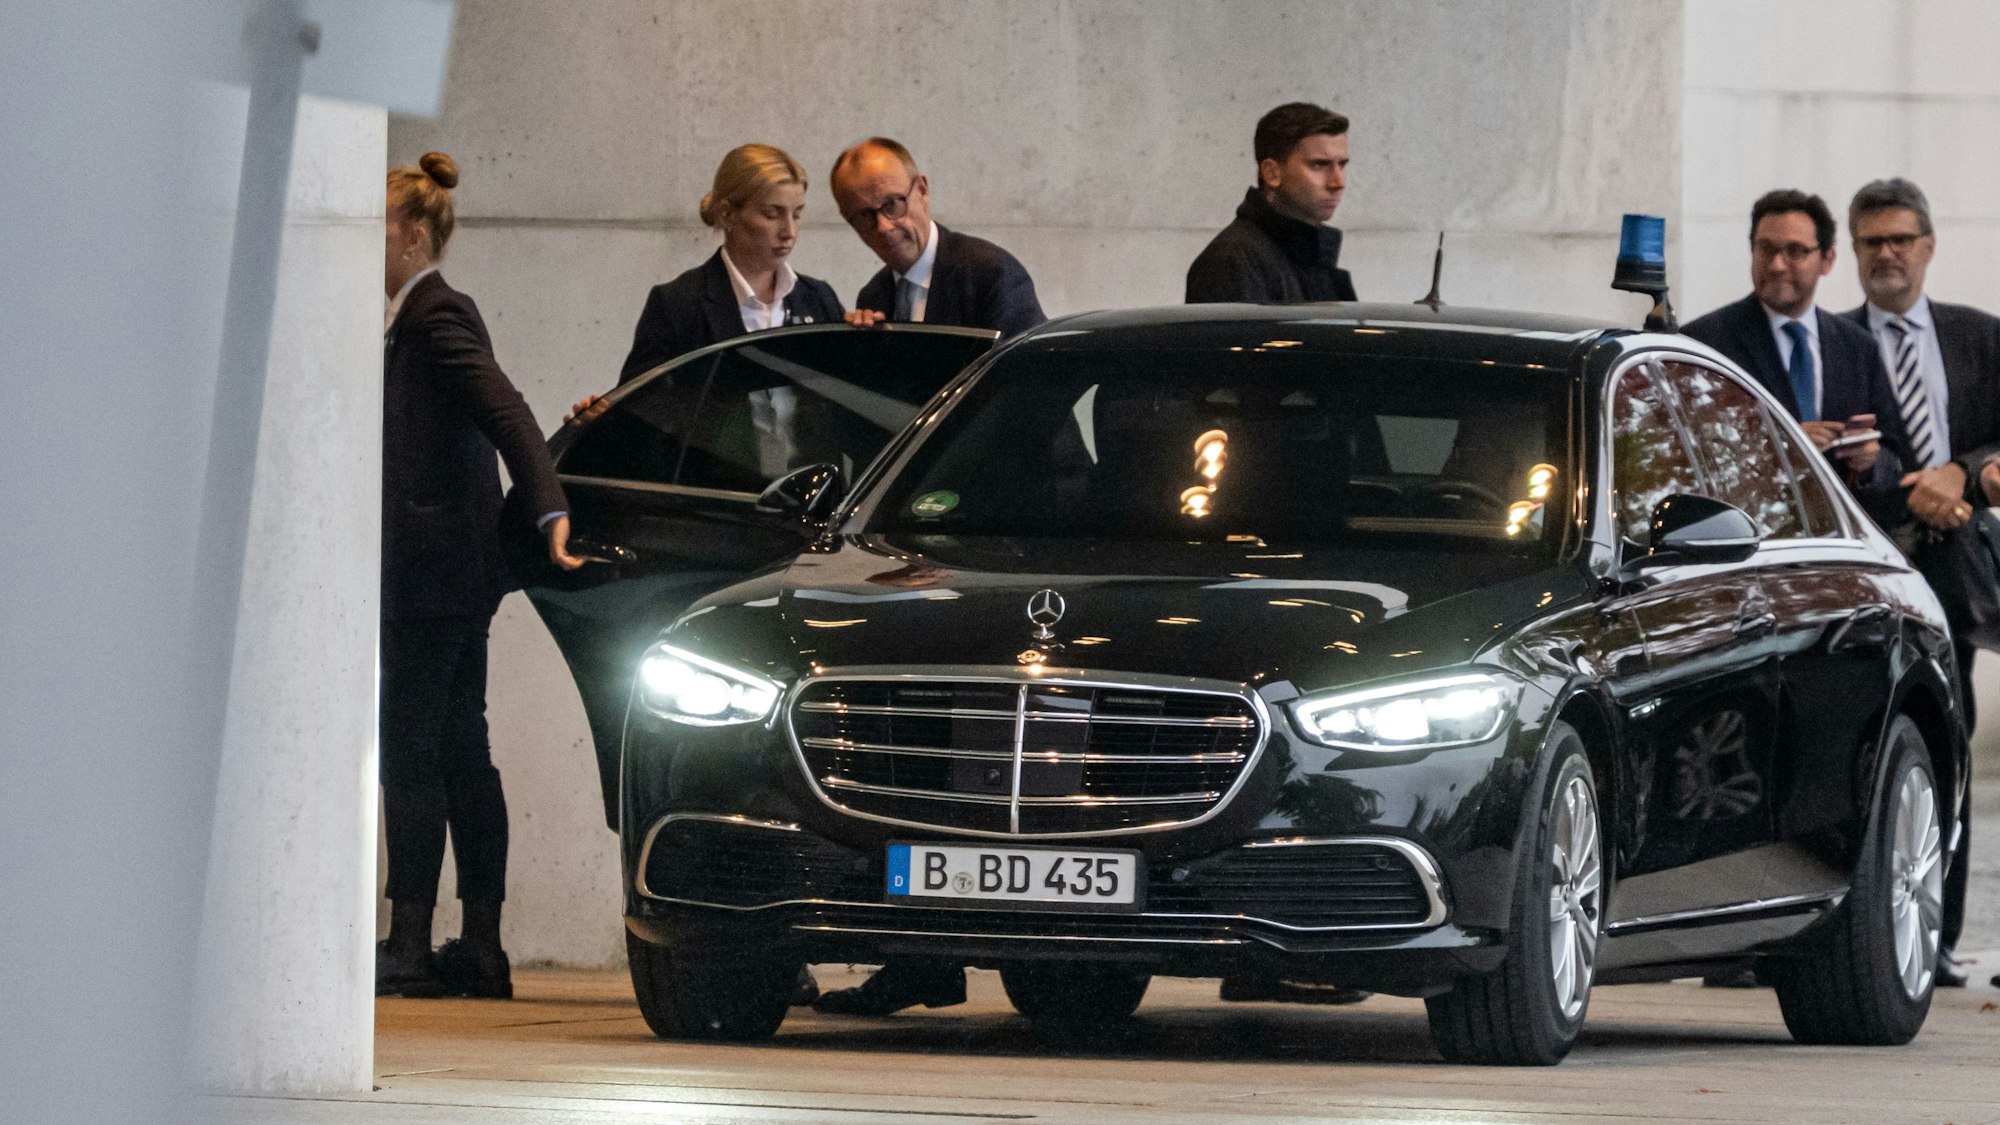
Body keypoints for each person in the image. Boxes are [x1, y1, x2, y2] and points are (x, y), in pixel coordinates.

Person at [377, 151, 584, 999]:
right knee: (463, 747)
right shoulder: (411, 317)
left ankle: (410, 942)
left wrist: (548, 506)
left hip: (431, 575)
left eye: (375, 227)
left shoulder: (434, 313)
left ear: (414, 233)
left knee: (413, 752)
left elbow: (507, 409)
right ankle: (482, 945)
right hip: (454, 573)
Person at [1840, 178, 2000, 990]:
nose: (1888, 254)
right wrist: (1911, 482)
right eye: (1872, 242)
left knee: (1952, 738)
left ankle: (1934, 936)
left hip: (1961, 572)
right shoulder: (1833, 341)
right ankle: (1855, 926)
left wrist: (1962, 472)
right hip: (1867, 572)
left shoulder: (1979, 336)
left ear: (1929, 245)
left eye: (1901, 239)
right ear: (1854, 252)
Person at [1682, 189, 1911, 521]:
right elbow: (1689, 453)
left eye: (1794, 251)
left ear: (1827, 260)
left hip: (1842, 544)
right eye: (1766, 249)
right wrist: (1780, 447)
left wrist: (1870, 462)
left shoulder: (1858, 347)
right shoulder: (1706, 343)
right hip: (1746, 543)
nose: (1777, 265)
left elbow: (1897, 457)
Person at [614, 144, 846, 386]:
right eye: (772, 214)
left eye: (796, 214)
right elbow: (641, 408)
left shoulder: (818, 298)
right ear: (727, 215)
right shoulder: (678, 303)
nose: (789, 231)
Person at [831, 137, 1045, 336]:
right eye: (864, 216)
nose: (883, 227)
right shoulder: (872, 297)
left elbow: (1030, 371)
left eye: (893, 203)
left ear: (922, 190)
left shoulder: (991, 274)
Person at [1185, 101, 1356, 304]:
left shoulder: (1308, 257)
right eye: (1319, 165)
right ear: (1271, 173)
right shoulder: (1233, 260)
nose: (1338, 183)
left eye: (1342, 165)